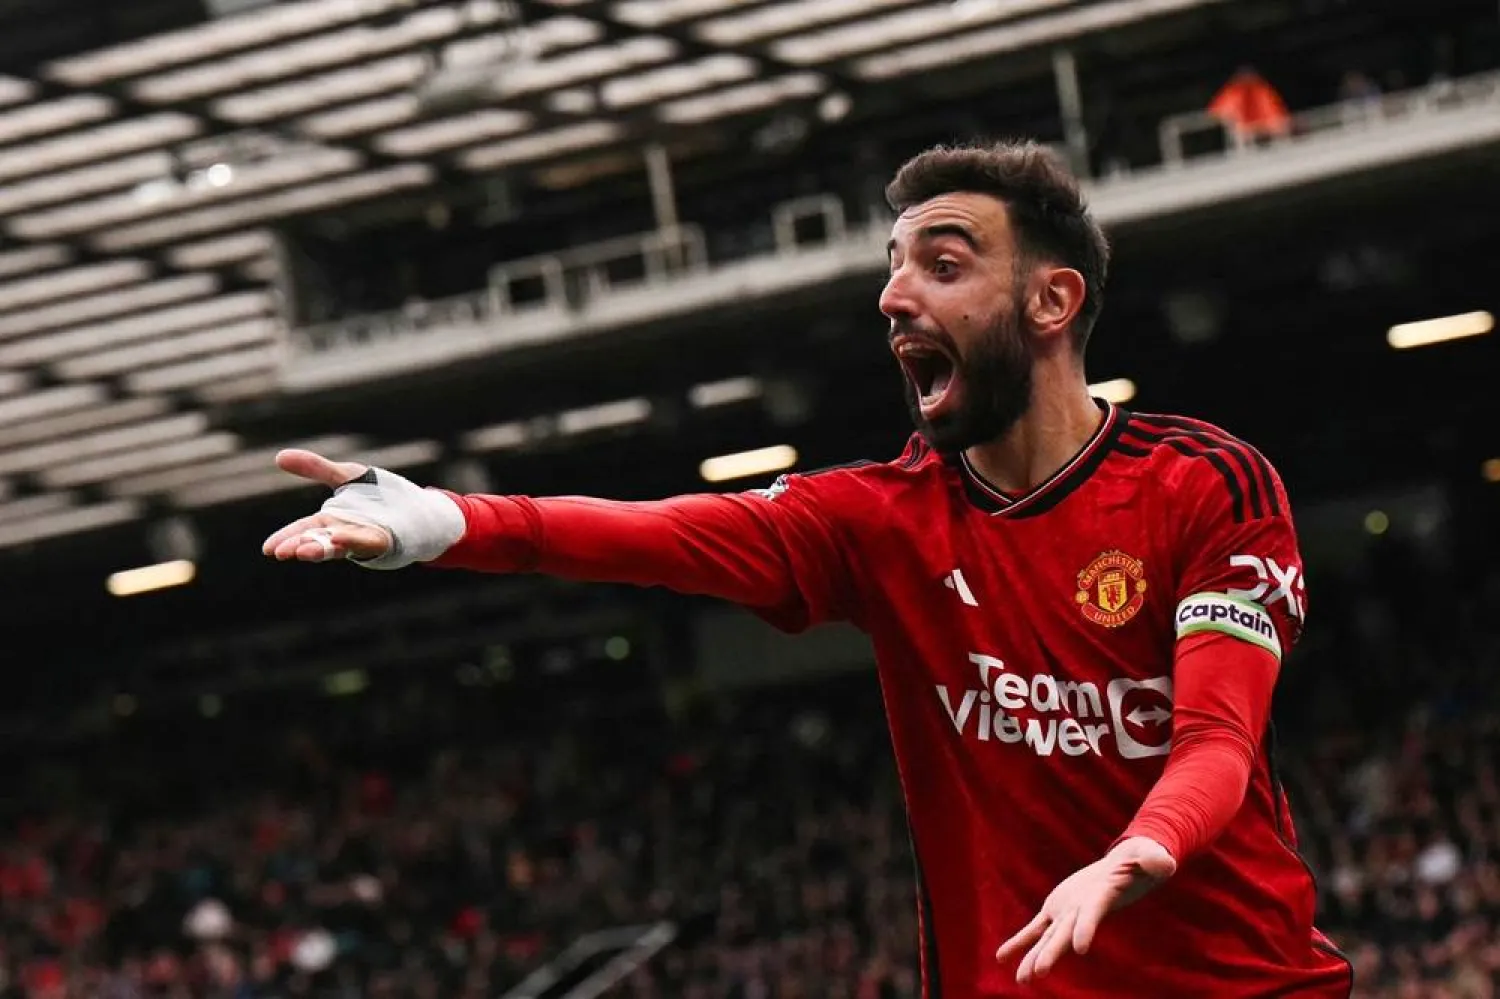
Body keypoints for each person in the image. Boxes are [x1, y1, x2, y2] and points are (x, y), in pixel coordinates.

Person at [263, 140, 1353, 997]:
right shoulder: (876, 521)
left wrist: (1136, 853)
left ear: (1051, 302)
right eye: (892, 272)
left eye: (943, 264)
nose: (894, 298)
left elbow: (1217, 739)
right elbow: (653, 534)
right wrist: (447, 519)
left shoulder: (1205, 485)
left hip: (1243, 986)